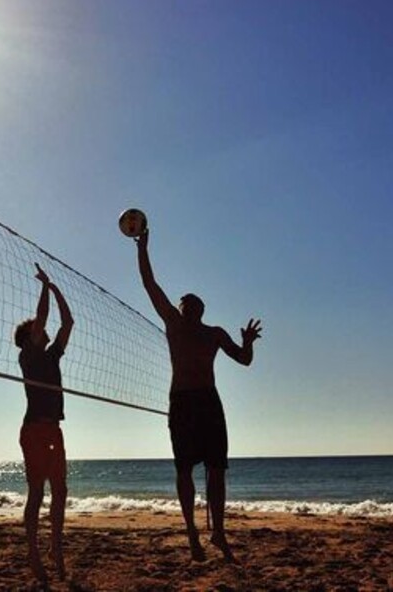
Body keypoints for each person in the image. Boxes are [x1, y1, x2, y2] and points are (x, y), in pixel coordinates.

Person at [136, 229, 261, 562]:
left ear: (200, 309)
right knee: (184, 470)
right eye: (182, 303)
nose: (185, 305)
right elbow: (150, 285)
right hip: (182, 402)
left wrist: (248, 343)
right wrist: (143, 248)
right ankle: (192, 530)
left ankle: (218, 530)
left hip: (208, 402)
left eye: (190, 303)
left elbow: (245, 360)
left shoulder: (214, 333)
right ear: (180, 309)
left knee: (217, 469)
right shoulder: (173, 325)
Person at [14, 263, 74, 583]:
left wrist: (55, 289)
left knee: (61, 491)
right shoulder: (28, 354)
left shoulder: (51, 356)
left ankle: (55, 547)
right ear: (27, 337)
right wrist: (43, 287)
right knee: (37, 493)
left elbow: (68, 322)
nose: (41, 330)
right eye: (35, 328)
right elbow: (45, 318)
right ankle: (33, 554)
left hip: (54, 429)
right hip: (34, 429)